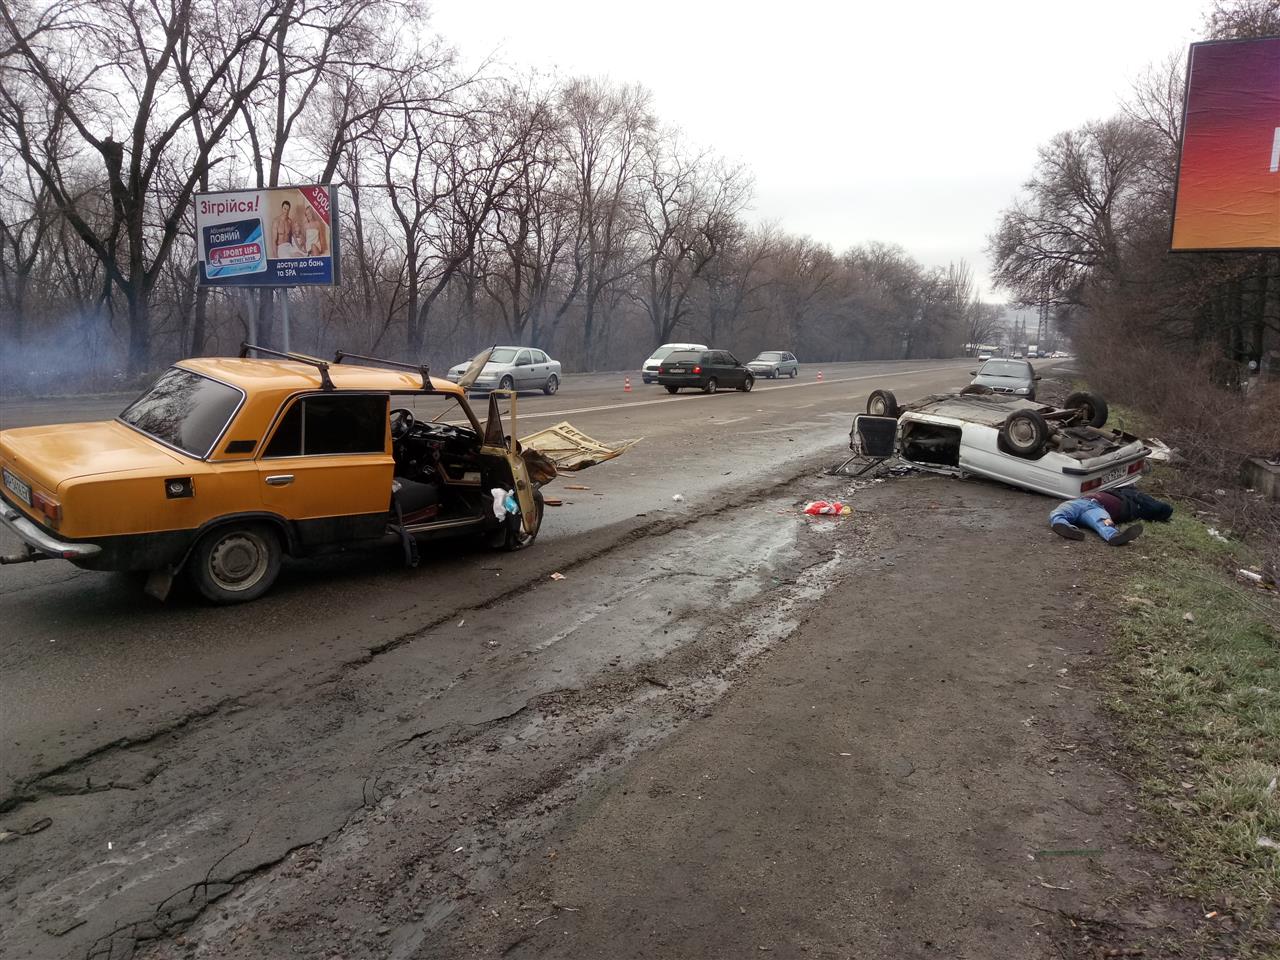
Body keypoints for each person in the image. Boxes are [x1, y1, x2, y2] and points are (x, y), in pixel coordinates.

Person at [1049, 486, 1173, 546]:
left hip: (1098, 507)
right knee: (1058, 512)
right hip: (1080, 501)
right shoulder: (1121, 490)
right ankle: (1065, 527)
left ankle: (1114, 536)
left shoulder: (1136, 499)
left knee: (1102, 521)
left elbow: (1164, 509)